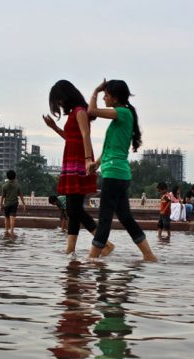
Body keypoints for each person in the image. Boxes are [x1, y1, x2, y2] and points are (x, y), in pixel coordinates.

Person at [86, 79, 156, 261]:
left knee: (105, 219)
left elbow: (91, 111)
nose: (103, 97)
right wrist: (97, 164)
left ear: (115, 99)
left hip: (114, 174)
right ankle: (149, 256)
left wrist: (94, 90)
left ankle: (92, 260)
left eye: (106, 95)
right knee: (125, 218)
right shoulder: (123, 115)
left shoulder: (123, 113)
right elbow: (110, 147)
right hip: (118, 173)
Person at [43, 80, 114, 255]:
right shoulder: (73, 113)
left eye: (59, 100)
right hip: (71, 162)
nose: (59, 104)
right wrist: (54, 127)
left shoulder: (80, 111)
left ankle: (104, 243)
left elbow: (85, 135)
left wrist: (89, 160)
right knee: (72, 209)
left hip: (79, 163)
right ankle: (70, 250)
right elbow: (70, 138)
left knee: (74, 209)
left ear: (66, 96)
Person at [0, 170, 26, 236]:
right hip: (14, 203)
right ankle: (11, 231)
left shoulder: (4, 186)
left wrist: (0, 204)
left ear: (7, 177)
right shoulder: (17, 185)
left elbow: (2, 196)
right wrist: (24, 204)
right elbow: (21, 195)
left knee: (6, 218)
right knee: (12, 217)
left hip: (7, 204)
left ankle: (6, 230)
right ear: (15, 176)